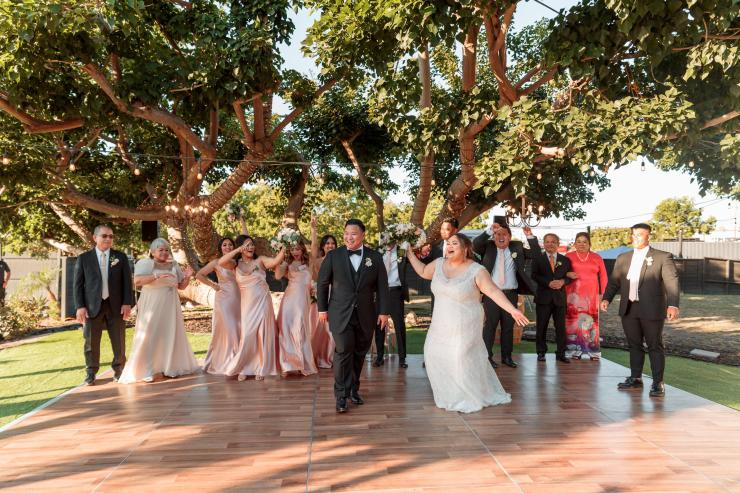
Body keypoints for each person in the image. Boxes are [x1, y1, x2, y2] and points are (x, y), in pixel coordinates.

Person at [406, 233, 529, 413]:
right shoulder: (439, 264)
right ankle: (449, 394)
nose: (449, 246)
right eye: (448, 243)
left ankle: (466, 396)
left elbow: (493, 291)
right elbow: (424, 271)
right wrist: (409, 254)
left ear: (465, 249)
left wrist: (513, 310)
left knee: (460, 359)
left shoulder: (476, 270)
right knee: (433, 354)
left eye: (454, 243)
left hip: (465, 324)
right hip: (440, 324)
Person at [317, 219, 389, 413]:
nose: (349, 237)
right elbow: (322, 283)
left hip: (366, 314)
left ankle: (353, 390)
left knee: (359, 353)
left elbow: (382, 286)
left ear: (363, 235)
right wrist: (322, 309)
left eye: (354, 234)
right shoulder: (333, 256)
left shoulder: (375, 257)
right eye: (346, 233)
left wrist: (383, 311)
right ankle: (341, 396)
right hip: (340, 313)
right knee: (343, 351)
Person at [601, 223, 680, 397]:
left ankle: (658, 383)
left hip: (652, 309)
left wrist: (673, 304)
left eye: (640, 235)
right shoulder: (623, 257)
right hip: (629, 308)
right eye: (633, 234)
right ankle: (636, 378)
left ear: (648, 236)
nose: (635, 237)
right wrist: (606, 298)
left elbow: (672, 282)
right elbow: (614, 281)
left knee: (654, 345)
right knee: (634, 344)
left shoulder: (662, 257)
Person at [118, 239, 199, 383]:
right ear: (153, 251)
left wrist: (187, 276)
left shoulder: (173, 264)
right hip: (152, 304)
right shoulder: (145, 263)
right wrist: (156, 276)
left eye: (166, 250)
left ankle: (170, 367)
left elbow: (181, 286)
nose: (164, 252)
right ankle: (147, 370)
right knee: (150, 334)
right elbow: (137, 281)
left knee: (169, 333)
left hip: (171, 304)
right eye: (160, 250)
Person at [219, 235, 285, 381]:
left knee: (263, 334)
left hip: (263, 302)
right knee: (248, 334)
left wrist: (283, 248)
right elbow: (221, 262)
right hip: (247, 305)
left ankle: (262, 367)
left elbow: (275, 261)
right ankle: (244, 367)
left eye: (252, 244)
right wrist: (237, 250)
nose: (251, 247)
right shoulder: (235, 265)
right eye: (247, 245)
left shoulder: (260, 260)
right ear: (241, 247)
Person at [74, 225, 133, 385]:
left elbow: (127, 282)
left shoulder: (120, 257)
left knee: (119, 340)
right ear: (95, 238)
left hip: (116, 305)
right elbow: (78, 285)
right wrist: (80, 306)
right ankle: (91, 372)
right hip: (92, 306)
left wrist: (127, 302)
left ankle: (119, 370)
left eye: (111, 236)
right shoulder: (84, 258)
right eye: (104, 236)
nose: (108, 239)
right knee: (91, 342)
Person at [473, 223, 538, 368]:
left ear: (509, 237)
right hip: (491, 295)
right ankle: (487, 358)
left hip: (510, 294)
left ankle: (507, 357)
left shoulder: (517, 247)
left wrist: (529, 236)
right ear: (494, 236)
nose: (501, 237)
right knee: (490, 326)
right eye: (498, 234)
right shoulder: (488, 247)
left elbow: (536, 254)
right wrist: (490, 230)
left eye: (504, 234)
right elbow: (475, 244)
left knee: (508, 327)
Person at [196, 237, 241, 375]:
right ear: (220, 248)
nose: (227, 247)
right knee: (230, 327)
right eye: (224, 245)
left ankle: (240, 359)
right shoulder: (216, 262)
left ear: (234, 247)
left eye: (230, 244)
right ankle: (231, 362)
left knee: (238, 327)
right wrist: (213, 285)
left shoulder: (238, 263)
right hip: (224, 299)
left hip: (239, 299)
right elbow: (199, 275)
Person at [275, 240, 318, 377]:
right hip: (289, 300)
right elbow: (277, 275)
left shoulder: (309, 262)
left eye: (297, 249)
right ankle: (286, 365)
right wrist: (280, 257)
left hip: (302, 301)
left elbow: (314, 247)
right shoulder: (287, 264)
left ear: (302, 250)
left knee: (300, 330)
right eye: (292, 249)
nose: (295, 252)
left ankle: (301, 363)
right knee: (286, 330)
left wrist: (313, 230)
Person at [565, 232, 608, 360]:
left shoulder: (597, 257)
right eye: (578, 241)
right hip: (573, 296)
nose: (581, 244)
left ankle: (593, 352)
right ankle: (574, 351)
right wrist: (567, 274)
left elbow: (604, 277)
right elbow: (560, 272)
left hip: (591, 296)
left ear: (589, 244)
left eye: (585, 242)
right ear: (574, 243)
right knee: (573, 323)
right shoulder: (568, 256)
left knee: (591, 323)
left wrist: (604, 295)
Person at [531, 233, 573, 363]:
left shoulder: (565, 260)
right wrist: (547, 283)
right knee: (541, 327)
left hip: (559, 299)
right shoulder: (538, 259)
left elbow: (569, 277)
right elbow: (534, 275)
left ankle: (561, 353)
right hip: (543, 298)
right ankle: (541, 352)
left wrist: (563, 282)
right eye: (547, 241)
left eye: (553, 242)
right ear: (544, 244)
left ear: (558, 244)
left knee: (560, 328)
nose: (550, 244)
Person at [373, 242, 409, 369]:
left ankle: (402, 358)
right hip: (380, 292)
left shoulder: (401, 251)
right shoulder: (378, 251)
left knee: (399, 326)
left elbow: (412, 259)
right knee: (379, 325)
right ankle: (379, 357)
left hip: (395, 291)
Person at [309, 217, 336, 368]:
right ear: (323, 246)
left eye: (332, 243)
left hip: (336, 297)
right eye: (327, 243)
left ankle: (331, 357)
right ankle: (316, 356)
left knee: (332, 329)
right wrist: (313, 230)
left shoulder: (340, 260)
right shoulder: (318, 261)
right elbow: (313, 247)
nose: (330, 245)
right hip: (321, 296)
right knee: (318, 329)